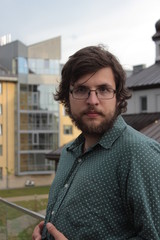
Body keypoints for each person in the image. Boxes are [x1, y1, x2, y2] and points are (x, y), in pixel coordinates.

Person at [32, 45, 160, 240]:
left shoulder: (140, 154)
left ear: (118, 97)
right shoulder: (68, 153)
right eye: (81, 89)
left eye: (103, 89)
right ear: (68, 97)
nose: (92, 100)